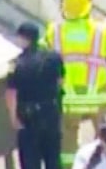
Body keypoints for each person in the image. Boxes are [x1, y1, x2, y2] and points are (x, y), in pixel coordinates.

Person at [42, 0, 106, 164]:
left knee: (68, 142)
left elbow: (44, 62)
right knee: (105, 137)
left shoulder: (53, 31)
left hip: (67, 98)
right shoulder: (102, 31)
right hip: (98, 95)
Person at [6, 20, 67, 169]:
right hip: (51, 113)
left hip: (28, 118)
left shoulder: (17, 64)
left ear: (24, 39)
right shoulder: (54, 57)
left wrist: (14, 118)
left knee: (30, 161)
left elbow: (11, 94)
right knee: (53, 159)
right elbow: (61, 81)